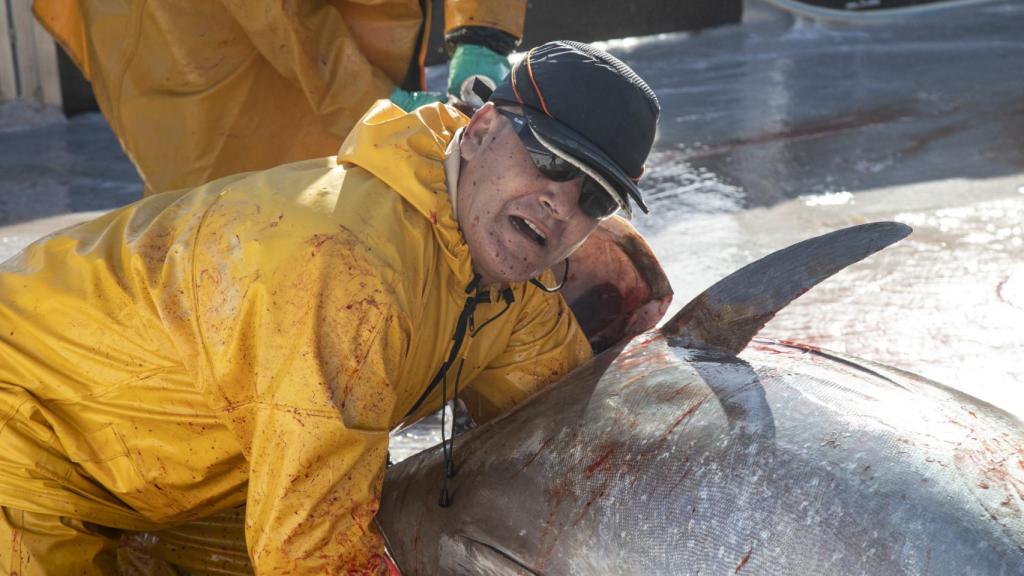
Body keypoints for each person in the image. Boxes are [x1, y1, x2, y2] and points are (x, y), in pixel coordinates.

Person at [0, 40, 660, 573]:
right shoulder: (347, 264)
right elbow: (311, 552)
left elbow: (569, 447)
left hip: (181, 487)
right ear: (482, 129)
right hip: (25, 439)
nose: (562, 202)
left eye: (595, 198)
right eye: (548, 159)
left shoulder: (513, 292)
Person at [33, 0, 524, 195]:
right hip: (190, 35)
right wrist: (375, 102)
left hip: (333, 38)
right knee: (229, 221)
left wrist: (483, 32)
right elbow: (278, 14)